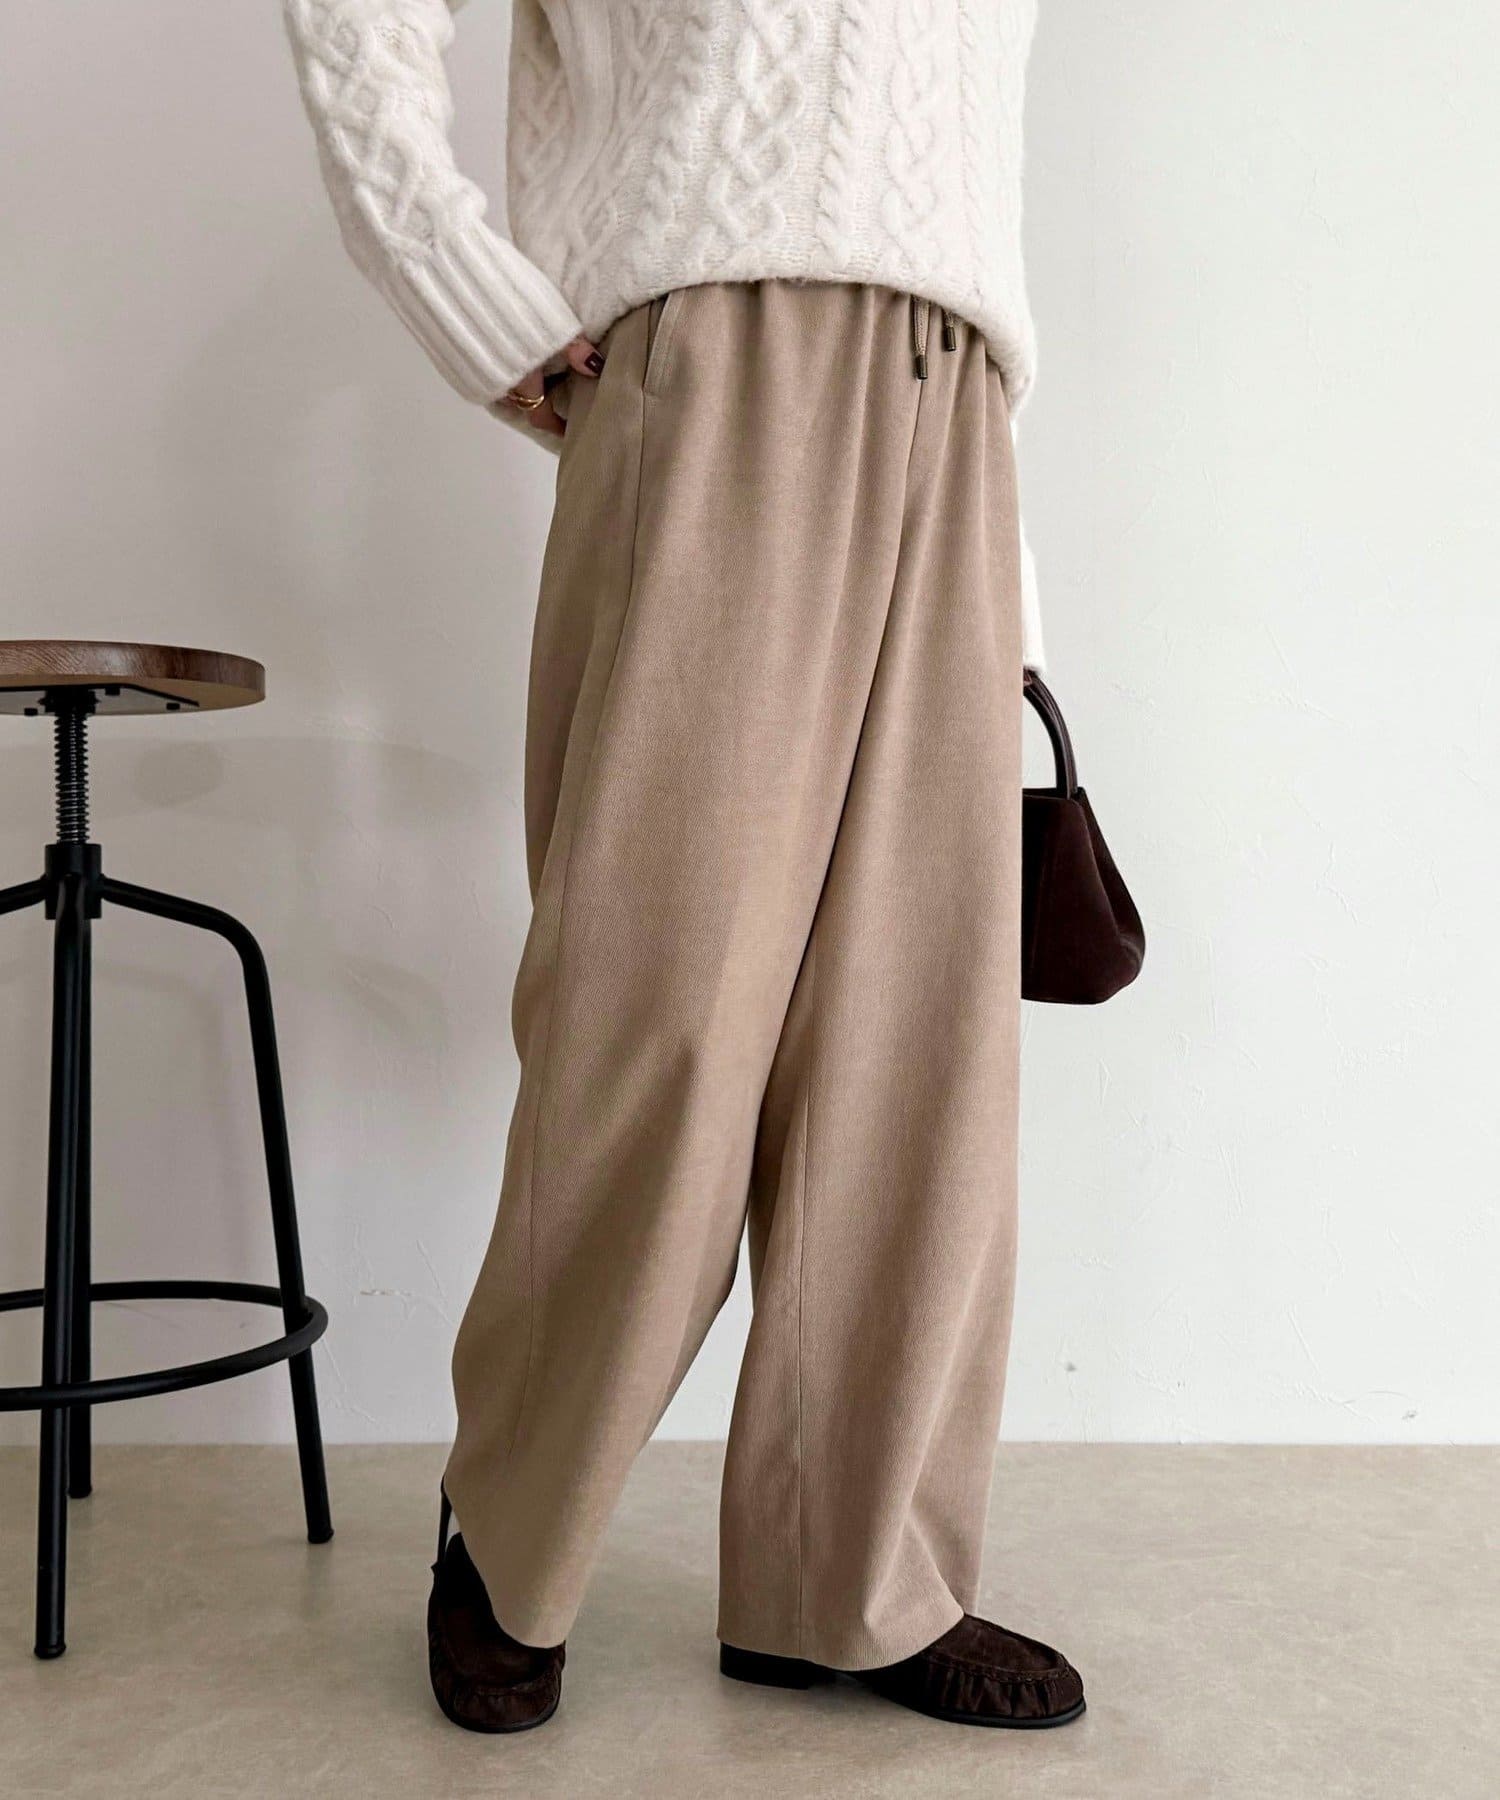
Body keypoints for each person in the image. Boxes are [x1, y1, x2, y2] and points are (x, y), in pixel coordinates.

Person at [283, 0, 1084, 1733]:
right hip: (717, 365)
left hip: (960, 410)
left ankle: (845, 1581)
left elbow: (956, 180)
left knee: (915, 1056)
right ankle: (511, 1533)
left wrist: (1010, 588)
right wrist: (470, 291)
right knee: (661, 1016)